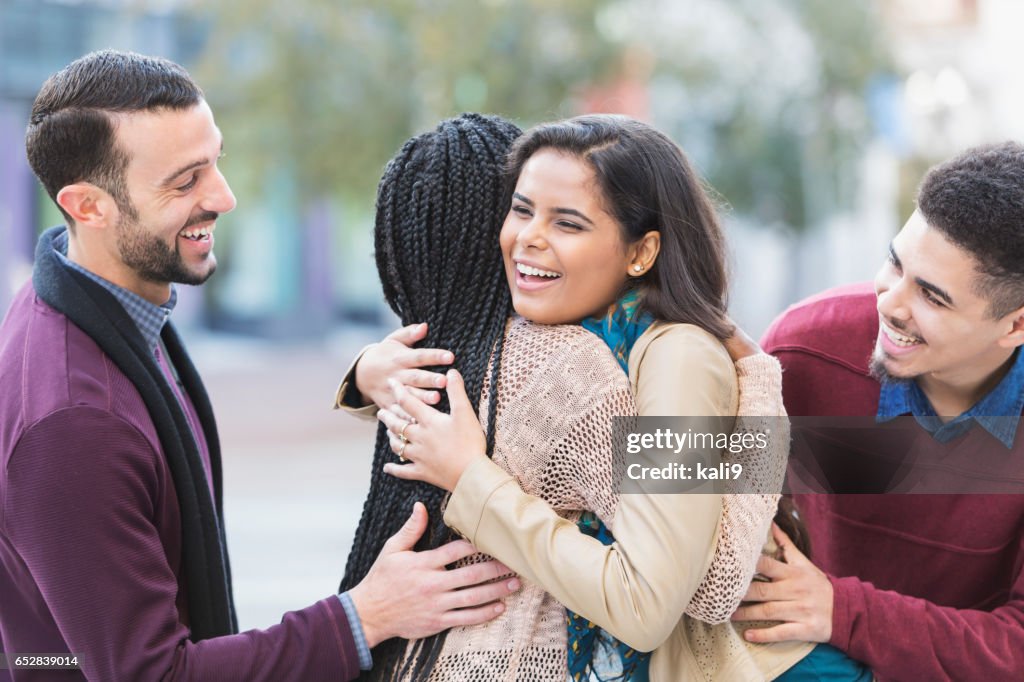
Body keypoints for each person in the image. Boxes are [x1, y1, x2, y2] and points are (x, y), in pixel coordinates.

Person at [0, 50, 518, 682]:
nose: (225, 196)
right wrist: (366, 615)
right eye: (184, 180)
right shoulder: (74, 422)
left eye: (214, 160)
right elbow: (151, 673)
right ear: (87, 207)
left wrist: (359, 381)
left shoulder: (90, 304)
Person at [352, 116, 817, 680]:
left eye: (568, 223)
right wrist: (364, 375)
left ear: (641, 252)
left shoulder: (675, 358)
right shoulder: (562, 343)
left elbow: (706, 589)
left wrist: (761, 386)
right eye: (520, 210)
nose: (529, 237)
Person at [735, 142, 1024, 680]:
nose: (889, 303)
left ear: (1015, 326)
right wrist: (539, 530)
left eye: (933, 297)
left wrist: (841, 611)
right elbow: (686, 475)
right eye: (895, 262)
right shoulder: (807, 351)